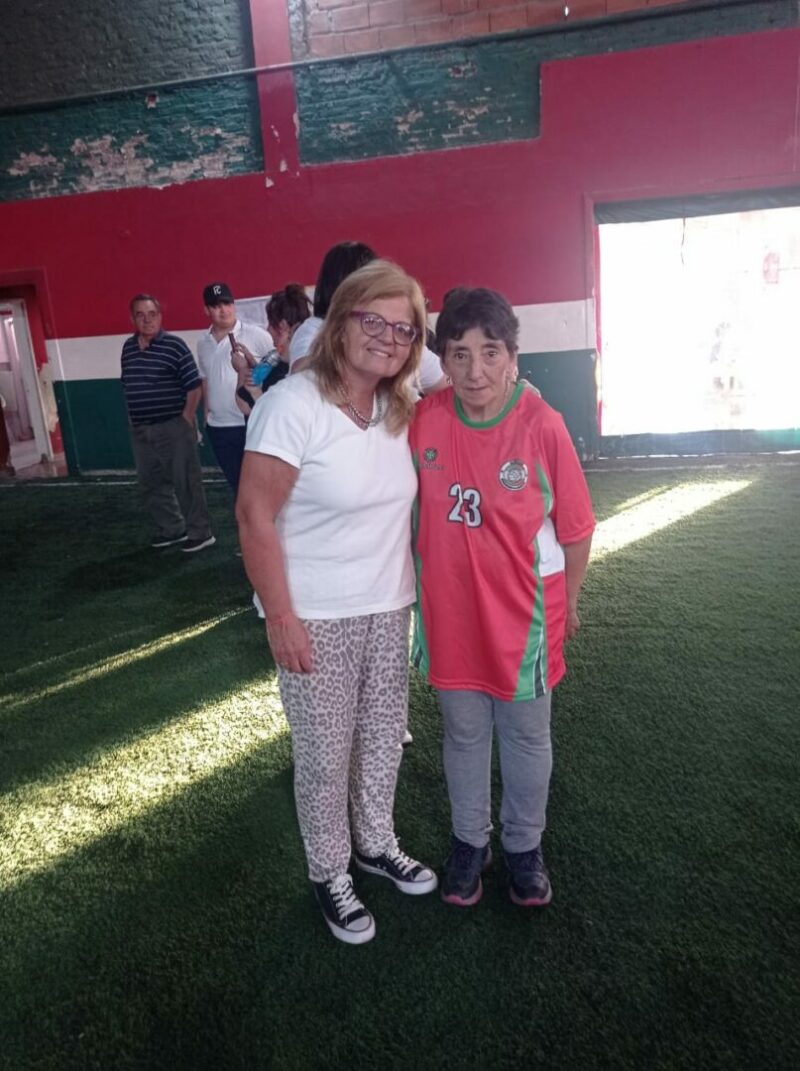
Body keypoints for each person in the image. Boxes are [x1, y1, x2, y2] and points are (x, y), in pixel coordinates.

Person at [236, 259, 437, 945]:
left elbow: (477, 378)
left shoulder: (398, 407)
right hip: (315, 614)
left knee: (382, 738)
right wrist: (280, 617)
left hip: (388, 604)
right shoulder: (292, 405)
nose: (388, 337)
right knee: (325, 757)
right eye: (373, 319)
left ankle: (376, 842)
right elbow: (254, 516)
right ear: (341, 320)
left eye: (404, 329)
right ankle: (329, 871)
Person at [409, 287, 595, 909]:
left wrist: (570, 605)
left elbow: (576, 529)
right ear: (442, 360)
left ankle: (523, 845)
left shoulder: (542, 425)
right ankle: (470, 841)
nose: (475, 371)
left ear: (513, 357)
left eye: (490, 353)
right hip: (450, 616)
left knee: (525, 736)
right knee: (463, 733)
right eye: (459, 355)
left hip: (524, 621)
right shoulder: (424, 422)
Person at [288, 240, 448, 397]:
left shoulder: (400, 339)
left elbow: (448, 382)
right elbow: (303, 376)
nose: (386, 338)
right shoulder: (314, 329)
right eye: (370, 322)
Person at [120, 294, 215, 553]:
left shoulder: (175, 346)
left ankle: (200, 532)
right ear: (132, 319)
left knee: (186, 482)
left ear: (160, 317)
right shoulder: (128, 348)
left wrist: (185, 419)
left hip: (173, 426)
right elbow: (127, 384)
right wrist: (133, 422)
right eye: (140, 315)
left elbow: (194, 386)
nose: (147, 320)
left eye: (152, 314)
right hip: (141, 430)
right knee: (151, 483)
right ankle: (172, 529)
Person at [196, 282, 272, 495]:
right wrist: (206, 417)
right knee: (237, 489)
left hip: (250, 424)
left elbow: (276, 372)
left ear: (234, 304)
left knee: (261, 489)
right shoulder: (203, 343)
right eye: (216, 305)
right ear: (207, 310)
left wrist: (248, 367)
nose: (223, 310)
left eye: (227, 303)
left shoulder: (257, 335)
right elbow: (205, 380)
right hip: (219, 428)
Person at [231, 284, 311, 419]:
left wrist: (242, 370)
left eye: (270, 324)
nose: (267, 329)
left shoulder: (286, 372)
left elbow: (245, 405)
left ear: (283, 326)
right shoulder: (310, 362)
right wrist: (252, 362)